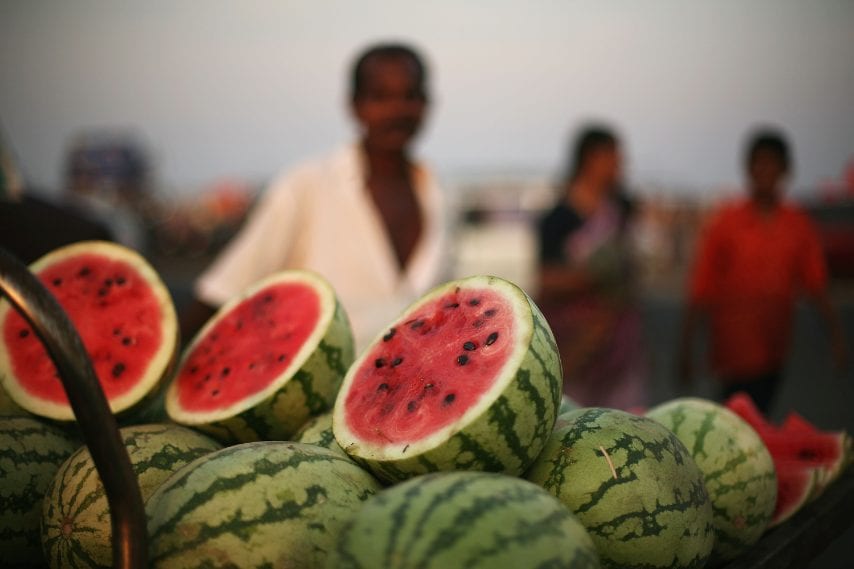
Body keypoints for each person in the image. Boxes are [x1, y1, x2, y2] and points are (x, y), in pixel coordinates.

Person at [182, 43, 447, 351]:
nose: (397, 110)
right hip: (316, 396)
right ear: (354, 105)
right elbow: (228, 287)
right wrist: (171, 361)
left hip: (414, 394)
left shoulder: (438, 193)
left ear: (427, 103)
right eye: (380, 97)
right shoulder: (305, 185)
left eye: (410, 96)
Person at [678, 129, 847, 412]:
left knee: (762, 418)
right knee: (734, 425)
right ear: (747, 168)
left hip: (774, 352)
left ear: (785, 170)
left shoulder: (797, 225)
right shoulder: (726, 223)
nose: (764, 170)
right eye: (758, 163)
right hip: (731, 353)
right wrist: (685, 349)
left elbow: (817, 285)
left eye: (771, 163)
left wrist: (837, 338)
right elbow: (700, 289)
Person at [537, 126, 646, 409]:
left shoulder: (623, 209)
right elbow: (545, 279)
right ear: (590, 159)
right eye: (613, 157)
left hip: (619, 344)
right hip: (577, 346)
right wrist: (595, 276)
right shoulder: (558, 219)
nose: (620, 165)